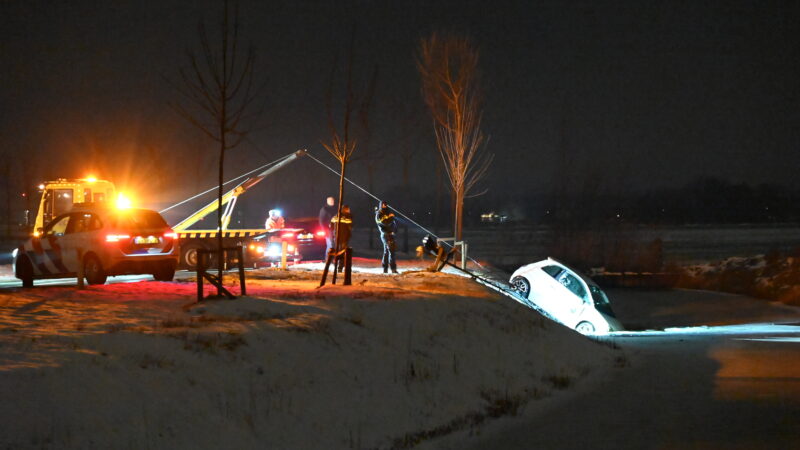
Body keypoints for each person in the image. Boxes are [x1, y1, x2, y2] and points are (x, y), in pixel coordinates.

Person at [375, 200, 398, 274]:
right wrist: (390, 218)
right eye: (383, 204)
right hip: (385, 234)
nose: (385, 205)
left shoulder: (389, 212)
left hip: (391, 234)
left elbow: (394, 223)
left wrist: (394, 230)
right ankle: (390, 268)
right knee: (390, 250)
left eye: (385, 204)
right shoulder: (379, 214)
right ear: (381, 205)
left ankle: (389, 268)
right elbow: (384, 223)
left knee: (389, 251)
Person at [329, 204, 353, 272]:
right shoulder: (347, 217)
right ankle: (340, 267)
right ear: (345, 209)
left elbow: (331, 226)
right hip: (344, 237)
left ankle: (336, 265)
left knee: (337, 251)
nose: (349, 210)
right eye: (348, 209)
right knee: (343, 252)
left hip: (336, 237)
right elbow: (350, 227)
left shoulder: (335, 216)